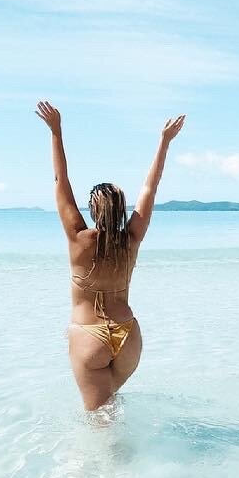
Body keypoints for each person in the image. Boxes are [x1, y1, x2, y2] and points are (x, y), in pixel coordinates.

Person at [35, 100, 185, 412]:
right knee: (109, 406)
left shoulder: (79, 239)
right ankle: (126, 456)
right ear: (121, 209)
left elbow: (60, 182)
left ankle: (104, 461)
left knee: (99, 422)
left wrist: (56, 132)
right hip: (129, 336)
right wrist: (164, 141)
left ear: (92, 210)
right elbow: (150, 188)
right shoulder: (131, 239)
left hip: (89, 336)